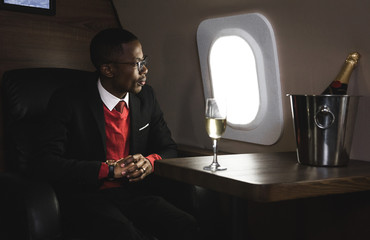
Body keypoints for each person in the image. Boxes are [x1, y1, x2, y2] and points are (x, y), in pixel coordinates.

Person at [35, 28, 198, 240]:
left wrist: (149, 162)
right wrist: (109, 170)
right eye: (137, 63)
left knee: (186, 225)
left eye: (144, 60)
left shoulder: (146, 97)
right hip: (88, 196)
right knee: (126, 234)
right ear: (108, 69)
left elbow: (168, 148)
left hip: (134, 193)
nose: (145, 69)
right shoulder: (68, 99)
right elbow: (48, 162)